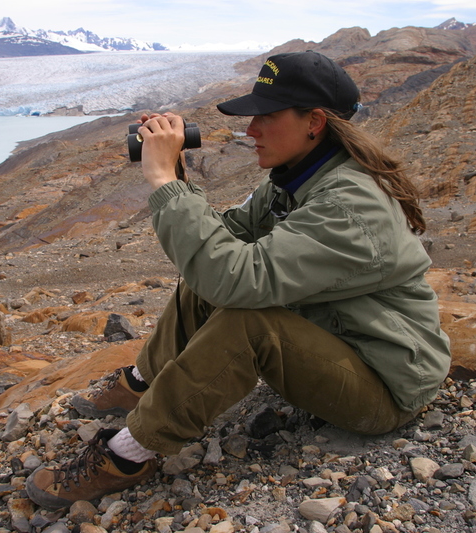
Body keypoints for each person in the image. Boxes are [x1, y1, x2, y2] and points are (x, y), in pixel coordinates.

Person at [26, 51, 451, 510]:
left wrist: (163, 178)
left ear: (314, 122)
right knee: (203, 281)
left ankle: (128, 455)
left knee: (247, 322)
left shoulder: (349, 205)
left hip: (386, 385)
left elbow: (231, 277)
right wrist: (178, 175)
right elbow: (220, 246)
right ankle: (142, 381)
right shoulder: (297, 180)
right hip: (339, 339)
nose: (251, 130)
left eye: (266, 116)